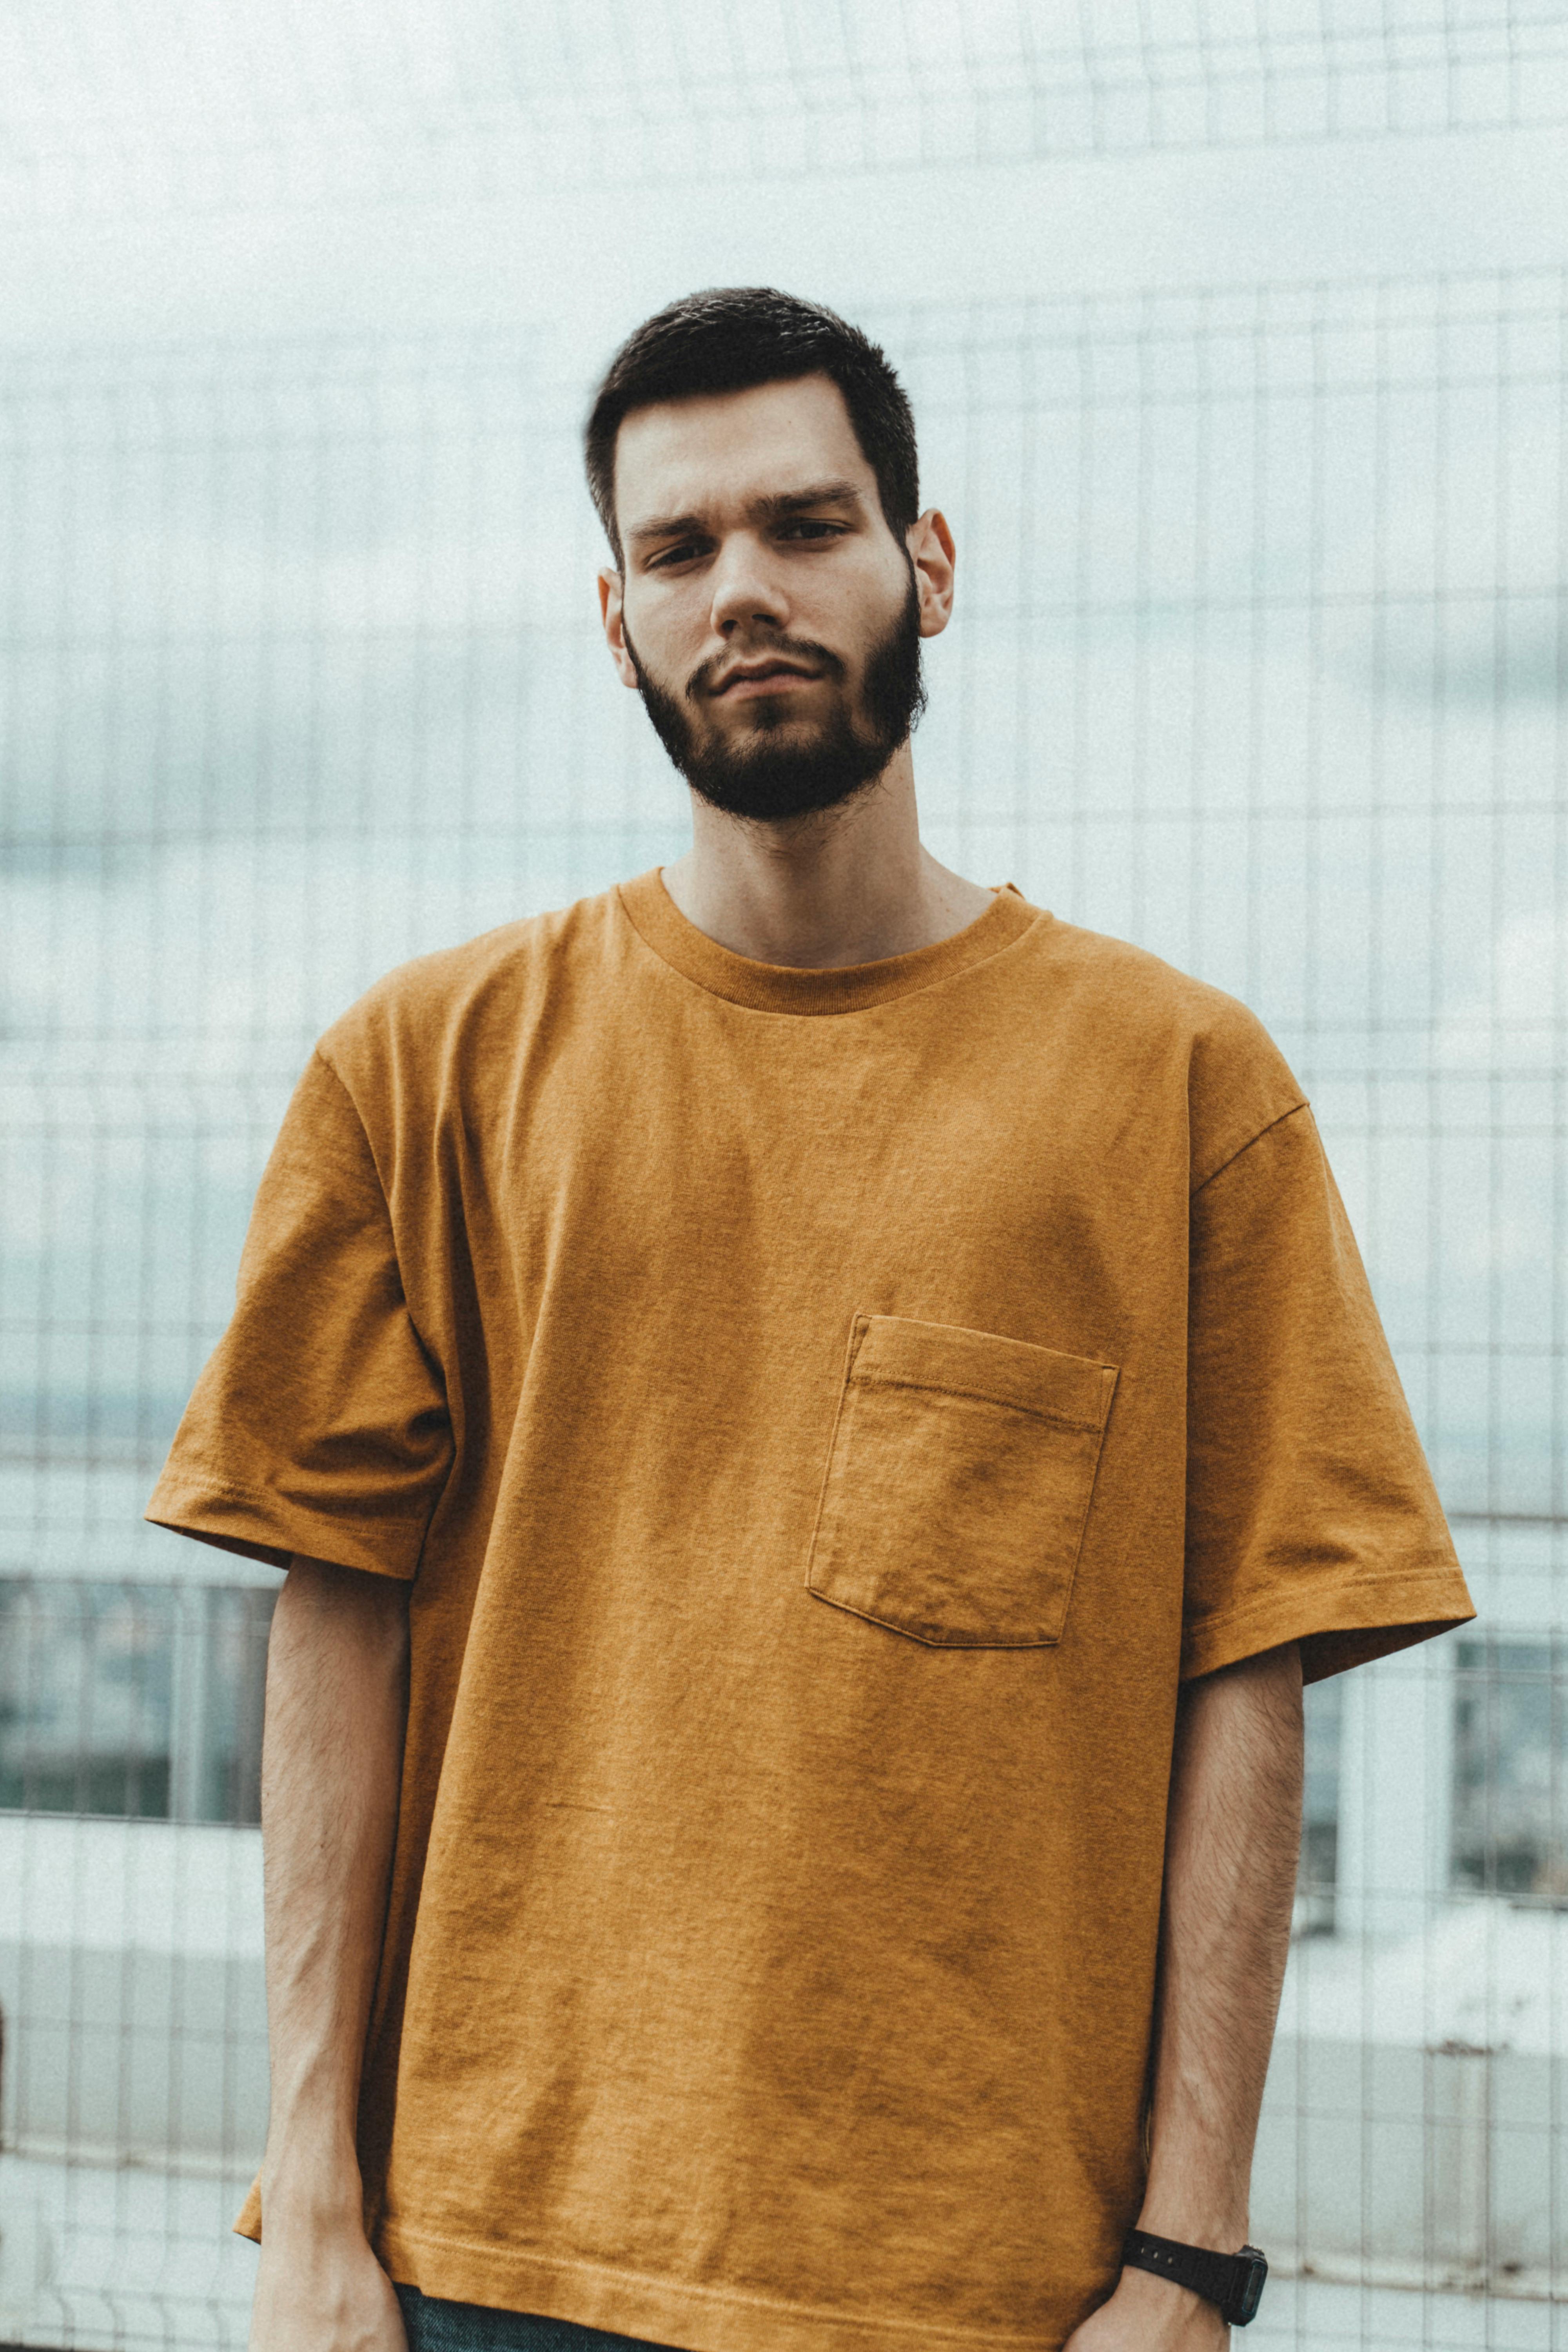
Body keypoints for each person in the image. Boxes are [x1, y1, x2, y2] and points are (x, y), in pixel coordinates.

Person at [147, 287, 1474, 2352]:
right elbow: (329, 1604)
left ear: (925, 564)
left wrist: (1190, 2261)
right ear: (617, 620)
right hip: (489, 2254)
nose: (741, 590)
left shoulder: (1179, 1090)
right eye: (678, 552)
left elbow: (1251, 1665)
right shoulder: (422, 1070)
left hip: (987, 2287)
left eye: (805, 525)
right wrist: (313, 2197)